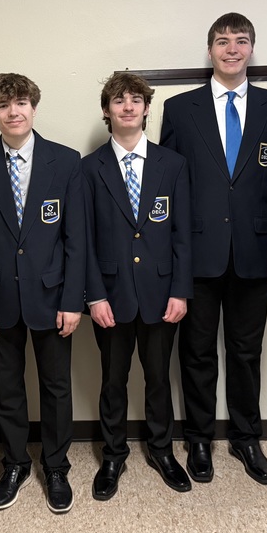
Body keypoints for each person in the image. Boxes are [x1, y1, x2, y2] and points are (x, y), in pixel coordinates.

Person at [159, 12, 267, 485]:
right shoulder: (179, 109)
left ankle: (246, 438)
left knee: (245, 351)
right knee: (196, 353)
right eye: (222, 41)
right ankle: (198, 438)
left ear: (252, 48)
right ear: (210, 49)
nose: (231, 48)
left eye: (241, 40)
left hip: (255, 252)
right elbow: (168, 185)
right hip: (196, 252)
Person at [0, 73, 86, 514]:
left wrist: (74, 301)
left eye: (20, 104)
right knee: (6, 388)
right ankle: (15, 462)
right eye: (3, 106)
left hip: (53, 299)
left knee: (56, 387)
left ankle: (55, 465)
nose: (13, 112)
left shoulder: (66, 162)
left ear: (33, 107)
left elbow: (76, 240)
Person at [83, 72, 193, 500]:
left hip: (161, 293)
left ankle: (162, 450)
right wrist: (94, 295)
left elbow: (182, 233)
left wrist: (180, 290)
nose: (127, 106)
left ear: (147, 108)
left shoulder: (172, 164)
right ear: (107, 110)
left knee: (158, 378)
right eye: (118, 100)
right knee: (113, 379)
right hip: (110, 296)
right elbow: (84, 239)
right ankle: (113, 454)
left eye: (135, 99)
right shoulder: (89, 168)